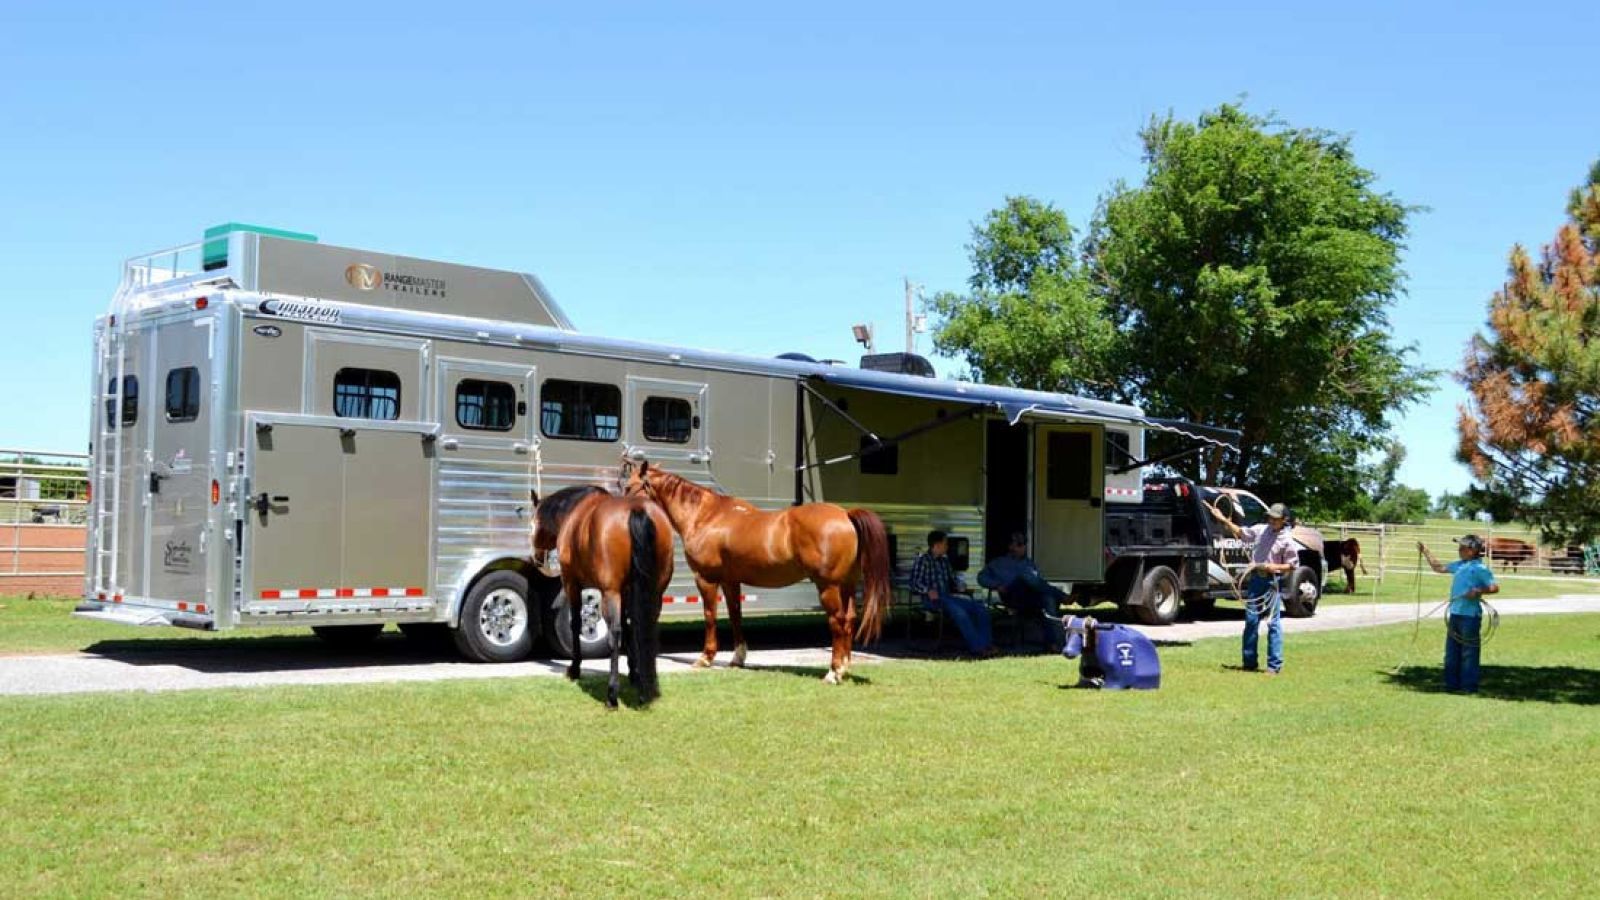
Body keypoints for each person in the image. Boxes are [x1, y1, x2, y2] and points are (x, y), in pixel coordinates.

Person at [1206, 500, 1298, 674]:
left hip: (1273, 581)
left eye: (1276, 518)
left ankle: (1274, 666)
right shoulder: (1261, 530)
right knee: (1251, 620)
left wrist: (1275, 567)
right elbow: (1241, 532)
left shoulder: (1287, 540)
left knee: (1273, 623)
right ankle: (1249, 663)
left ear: (1284, 520)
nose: (1272, 520)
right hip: (1256, 579)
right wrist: (1223, 519)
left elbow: (1293, 565)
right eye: (1270, 517)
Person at [1418, 535, 1500, 694]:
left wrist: (1478, 591)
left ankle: (1469, 687)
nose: (1459, 550)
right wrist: (1426, 552)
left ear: (1472, 551)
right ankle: (1451, 685)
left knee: (1469, 653)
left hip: (1470, 616)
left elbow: (1495, 587)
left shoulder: (1480, 569)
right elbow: (1438, 568)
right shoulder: (1459, 565)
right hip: (1455, 614)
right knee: (1451, 652)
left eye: (1462, 548)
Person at [909, 529, 997, 658]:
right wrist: (927, 590)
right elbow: (913, 583)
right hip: (933, 600)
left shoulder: (944, 561)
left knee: (980, 608)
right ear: (937, 545)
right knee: (959, 612)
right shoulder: (923, 560)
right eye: (945, 544)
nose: (947, 546)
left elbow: (953, 579)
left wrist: (959, 585)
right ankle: (978, 648)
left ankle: (987, 644)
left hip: (947, 597)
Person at [978, 531, 1068, 650]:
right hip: (1012, 595)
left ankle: (1054, 643)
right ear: (1010, 546)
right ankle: (1063, 596)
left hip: (1030, 597)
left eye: (1024, 544)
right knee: (1024, 576)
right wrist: (996, 585)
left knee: (1048, 598)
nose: (1023, 547)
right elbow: (981, 577)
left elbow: (1038, 583)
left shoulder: (1029, 563)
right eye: (1019, 544)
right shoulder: (999, 563)